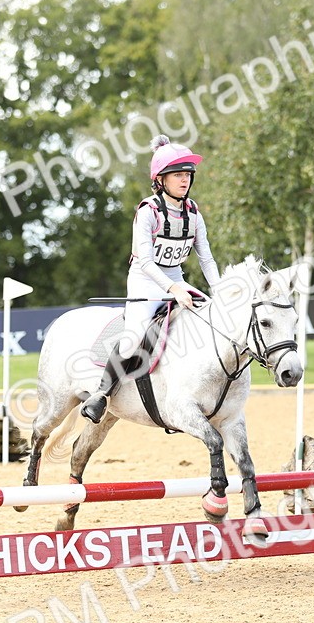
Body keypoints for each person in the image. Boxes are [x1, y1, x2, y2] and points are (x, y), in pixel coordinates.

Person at [79, 134, 222, 424]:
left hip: (176, 278)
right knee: (132, 339)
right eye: (178, 175)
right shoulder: (148, 211)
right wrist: (172, 289)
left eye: (188, 175)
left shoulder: (193, 213)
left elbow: (205, 258)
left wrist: (219, 293)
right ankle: (101, 395)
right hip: (145, 281)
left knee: (212, 320)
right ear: (161, 179)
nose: (185, 180)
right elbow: (144, 260)